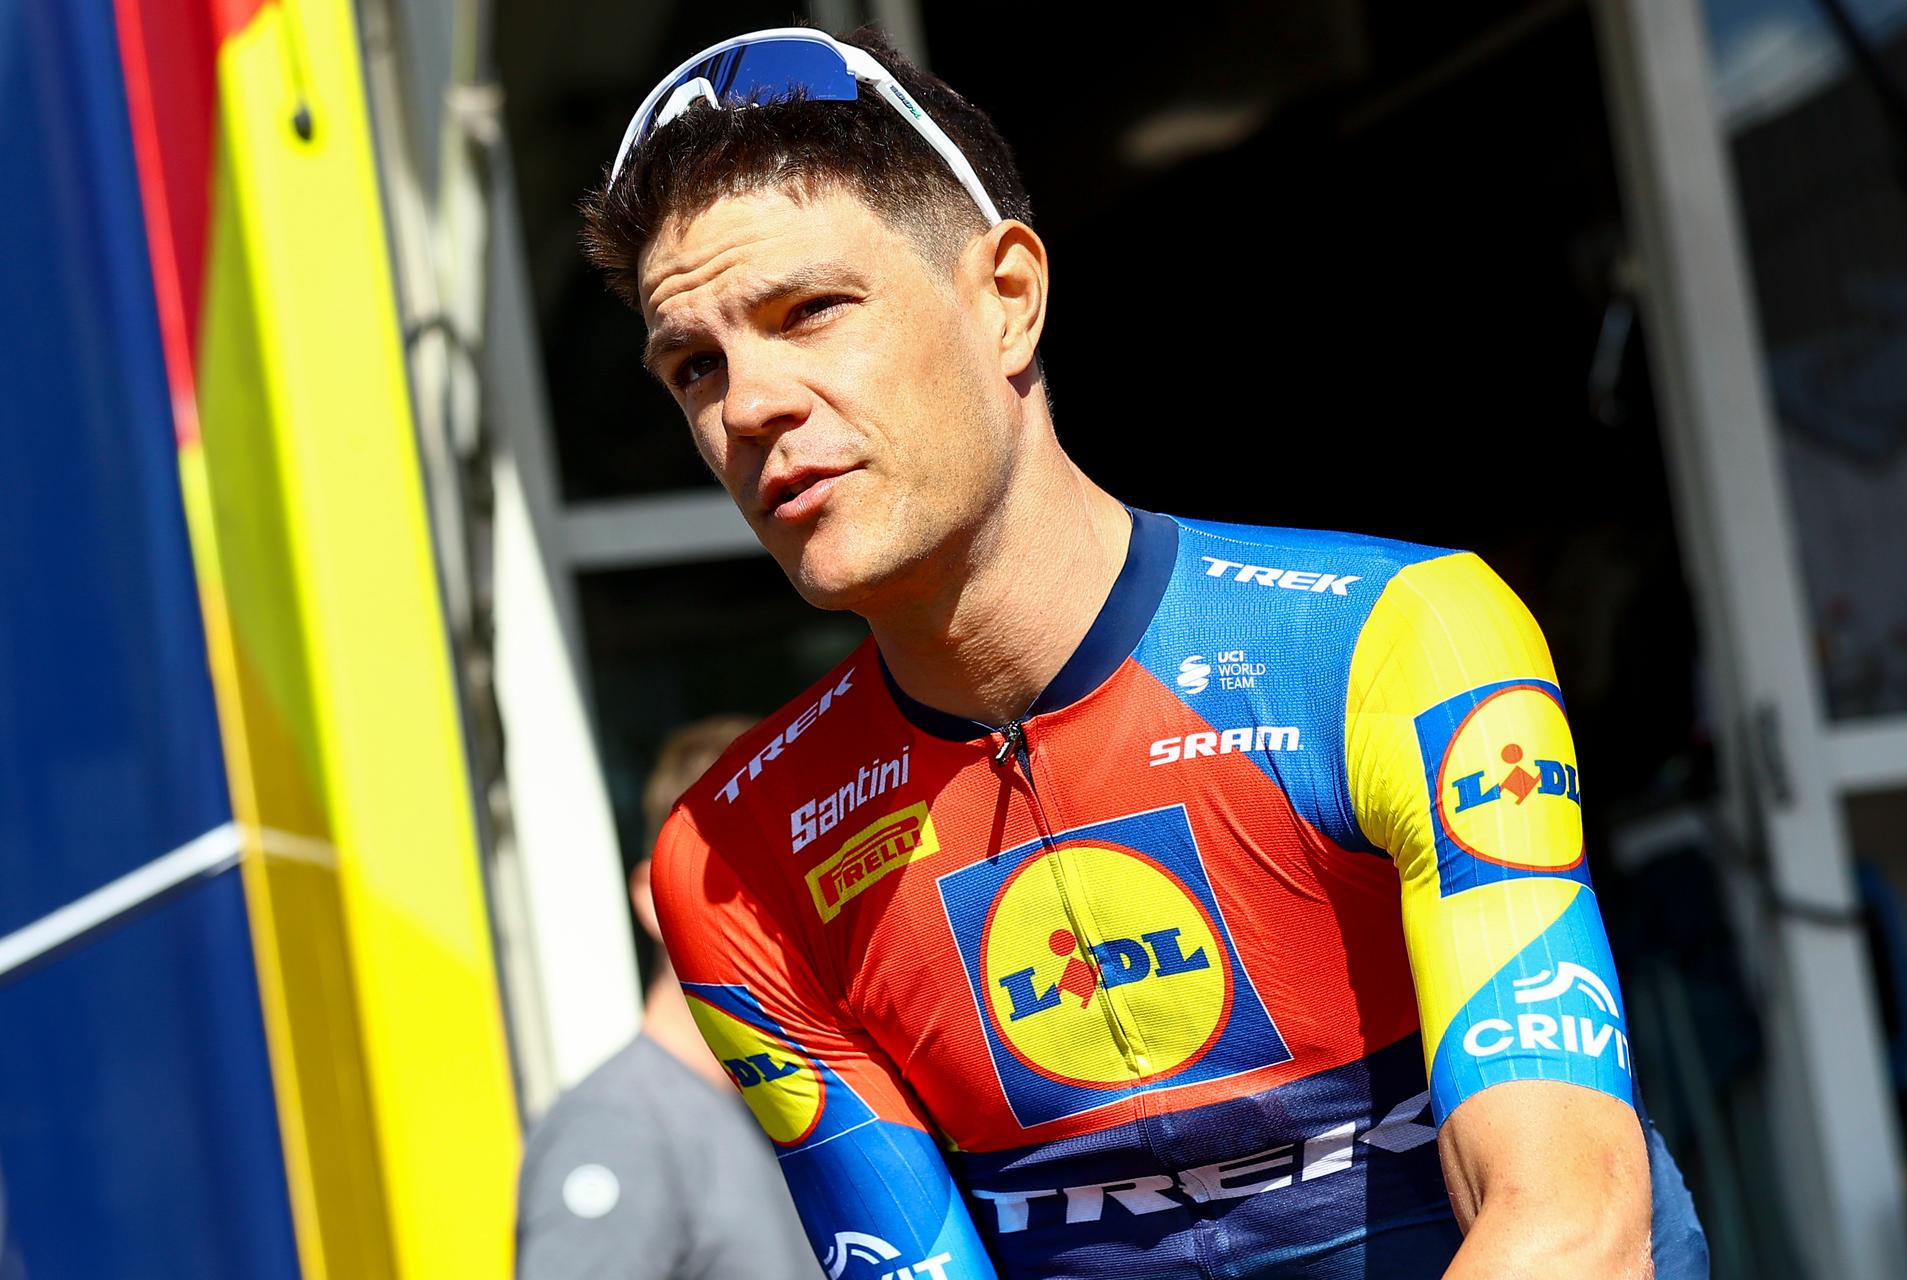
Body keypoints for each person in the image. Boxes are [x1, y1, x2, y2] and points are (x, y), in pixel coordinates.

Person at [582, 26, 1709, 1278]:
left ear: (1007, 298)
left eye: (812, 310)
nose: (749, 404)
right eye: (695, 365)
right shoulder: (737, 857)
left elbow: (1578, 1226)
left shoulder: (1388, 639)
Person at [515, 716, 816, 1280]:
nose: (782, 914)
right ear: (654, 899)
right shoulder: (615, 1127)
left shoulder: (806, 1104)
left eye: (797, 876)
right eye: (737, 884)